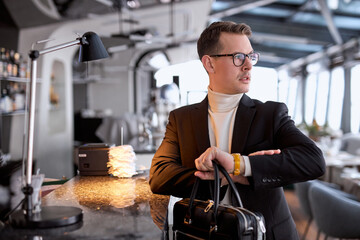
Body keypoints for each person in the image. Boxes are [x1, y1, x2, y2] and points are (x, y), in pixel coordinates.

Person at [149, 21, 325, 240]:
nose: (248, 65)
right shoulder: (181, 118)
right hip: (203, 232)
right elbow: (159, 176)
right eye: (238, 57)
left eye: (251, 56)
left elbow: (314, 161)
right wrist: (224, 177)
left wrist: (239, 165)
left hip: (266, 233)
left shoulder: (270, 114)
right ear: (209, 64)